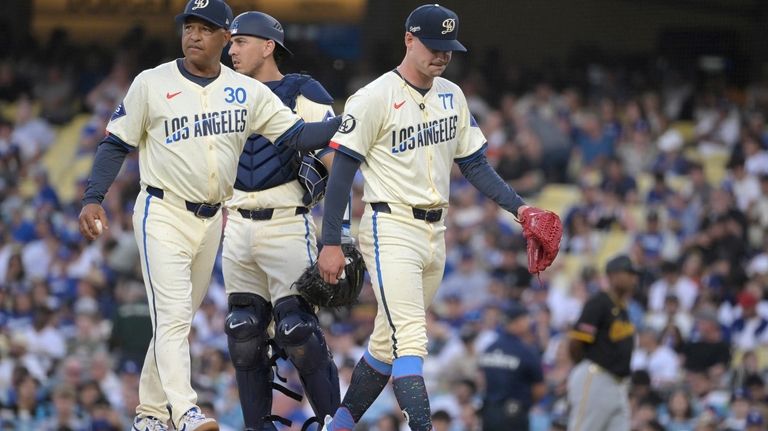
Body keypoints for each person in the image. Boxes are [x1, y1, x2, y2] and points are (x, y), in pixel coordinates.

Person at [77, 1, 342, 430]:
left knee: (176, 320)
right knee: (178, 315)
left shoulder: (246, 90)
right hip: (162, 211)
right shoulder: (152, 82)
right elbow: (114, 143)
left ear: (224, 36)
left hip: (212, 221)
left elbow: (298, 135)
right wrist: (94, 197)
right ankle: (184, 411)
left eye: (207, 29)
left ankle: (148, 414)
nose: (194, 35)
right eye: (189, 27)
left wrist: (349, 123)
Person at [317, 4, 553, 430]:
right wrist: (331, 241)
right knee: (412, 339)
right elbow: (342, 174)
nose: (442, 56)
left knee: (388, 343)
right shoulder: (372, 97)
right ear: (409, 38)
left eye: (448, 48)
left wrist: (520, 207)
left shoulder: (452, 95)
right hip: (389, 225)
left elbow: (476, 165)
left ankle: (339, 426)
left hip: (434, 231)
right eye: (433, 46)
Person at [223, 11, 340, 431]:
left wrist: (336, 234)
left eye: (241, 42)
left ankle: (333, 423)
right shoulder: (221, 91)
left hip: (287, 221)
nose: (231, 49)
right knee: (243, 330)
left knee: (296, 330)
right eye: (231, 42)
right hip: (235, 221)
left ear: (268, 46)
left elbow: (336, 154)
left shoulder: (301, 88)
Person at [566, 254, 639, 431]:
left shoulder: (623, 309)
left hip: (618, 384)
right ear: (613, 275)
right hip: (596, 376)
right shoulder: (599, 303)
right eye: (628, 273)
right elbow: (576, 342)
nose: (633, 278)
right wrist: (587, 365)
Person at [478, 304, 545, 431]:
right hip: (514, 416)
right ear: (519, 322)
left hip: (489, 414)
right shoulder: (526, 352)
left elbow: (481, 380)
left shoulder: (489, 348)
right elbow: (539, 390)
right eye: (526, 319)